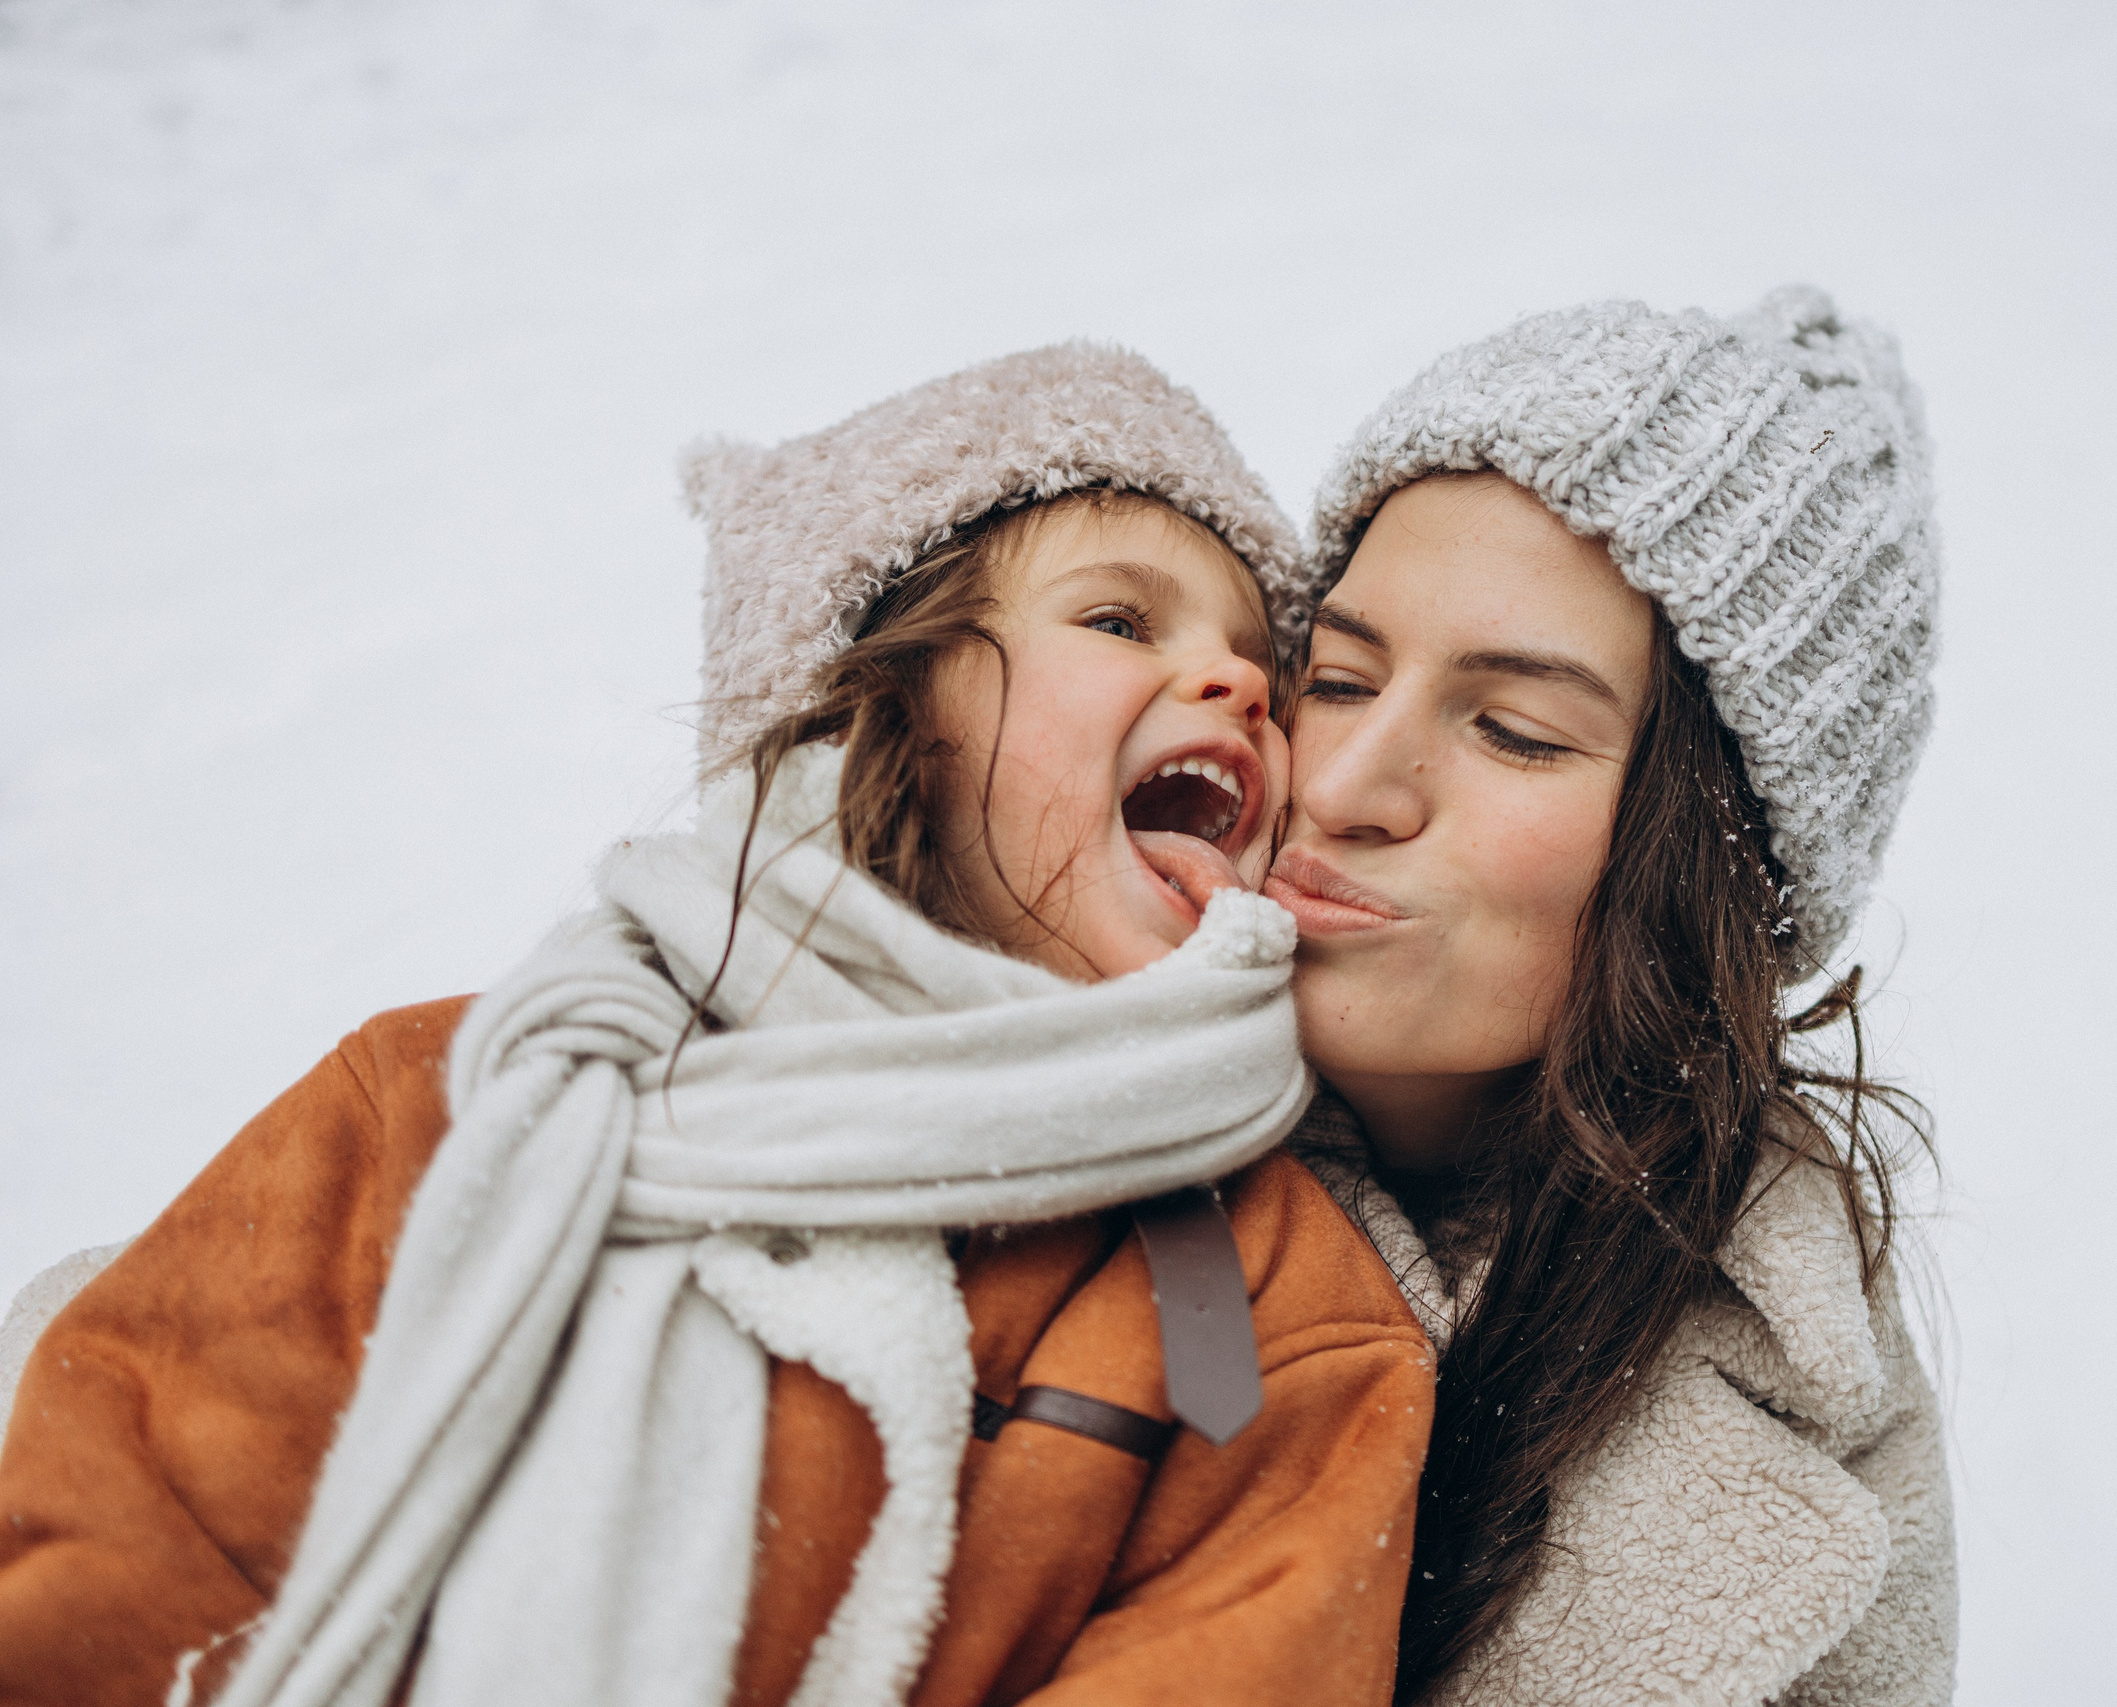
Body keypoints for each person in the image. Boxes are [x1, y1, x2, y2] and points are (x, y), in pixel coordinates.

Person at [0, 346, 1434, 1707]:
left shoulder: (1273, 1303)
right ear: (872, 703)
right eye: (1121, 620)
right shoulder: (467, 1100)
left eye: (1265, 660)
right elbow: (137, 1540)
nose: (1244, 686)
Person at [1263, 291, 1957, 1705]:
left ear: (1705, 866)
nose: (1339, 788)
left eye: (1513, 731)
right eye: (1335, 678)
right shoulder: (990, 1093)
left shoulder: (1813, 1432)